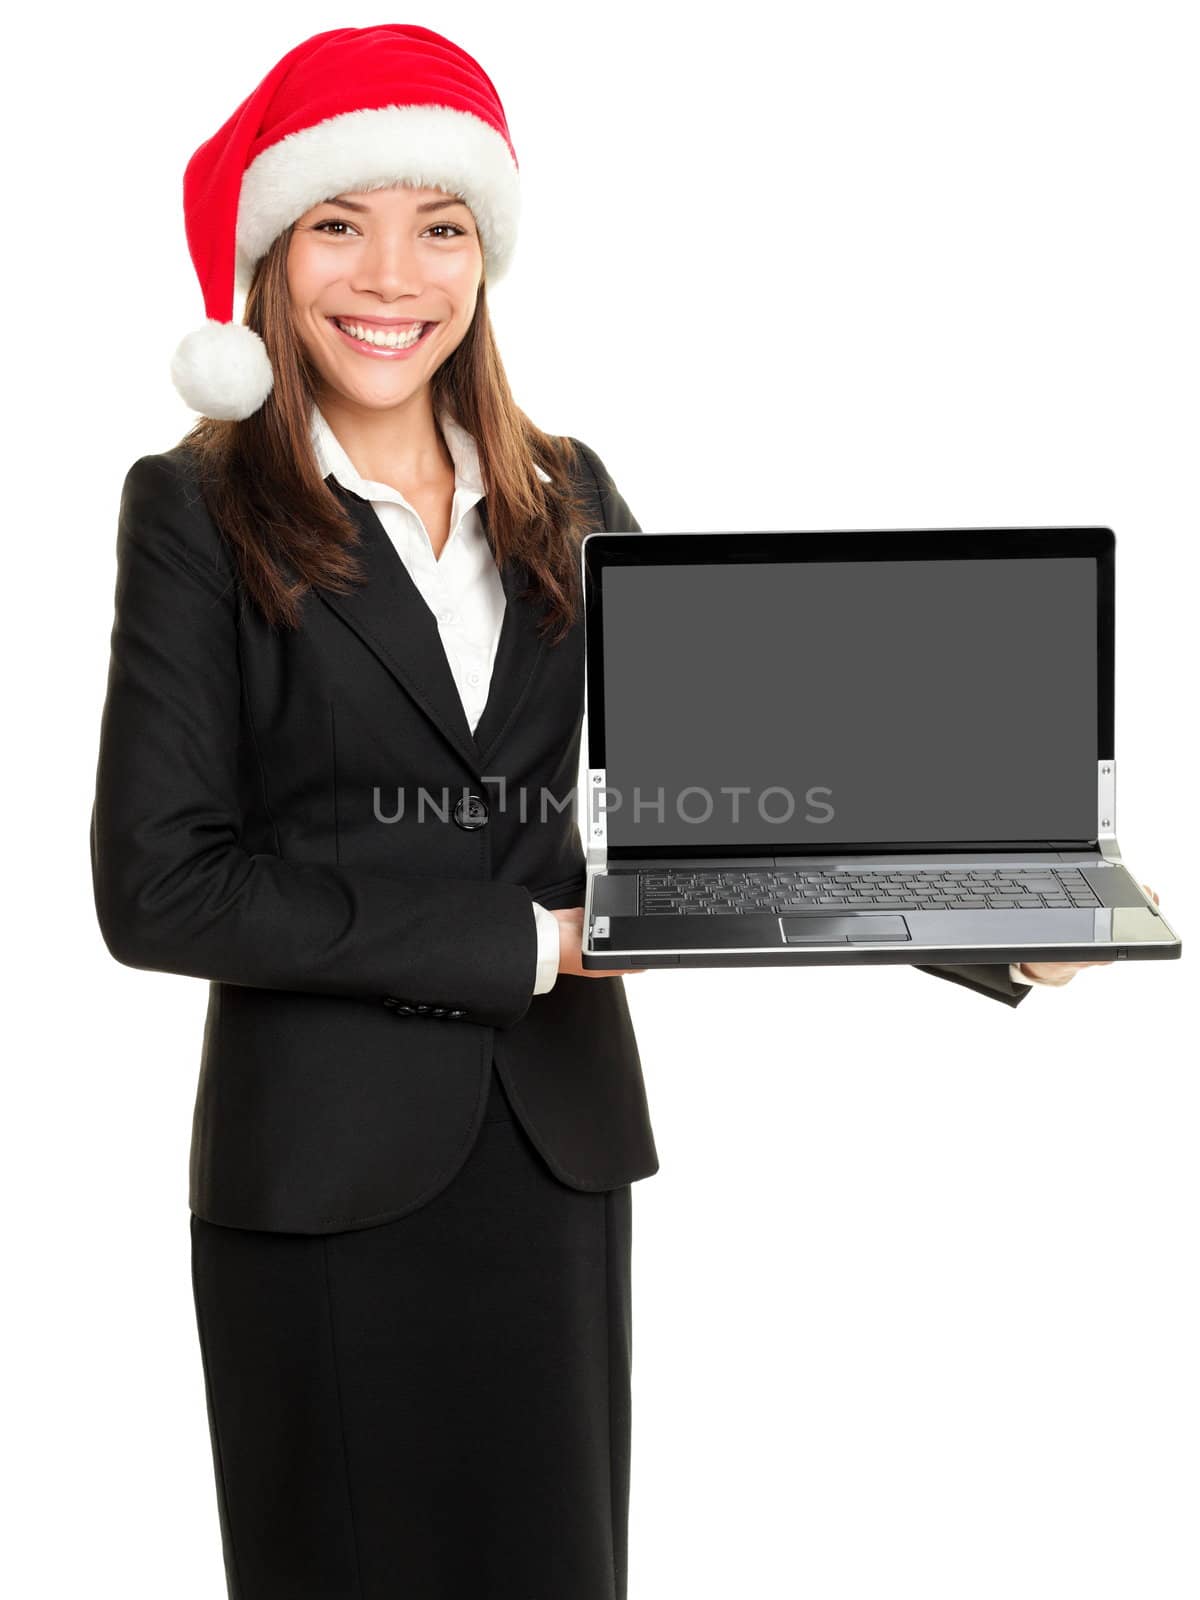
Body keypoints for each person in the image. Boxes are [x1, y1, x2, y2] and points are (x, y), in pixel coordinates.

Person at [89, 24, 1150, 1599]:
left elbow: (717, 788)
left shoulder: (563, 488)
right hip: (319, 1179)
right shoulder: (193, 507)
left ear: (484, 256)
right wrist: (523, 940)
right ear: (271, 257)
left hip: (554, 1157)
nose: (393, 276)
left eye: (439, 226)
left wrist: (999, 927)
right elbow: (160, 886)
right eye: (340, 223)